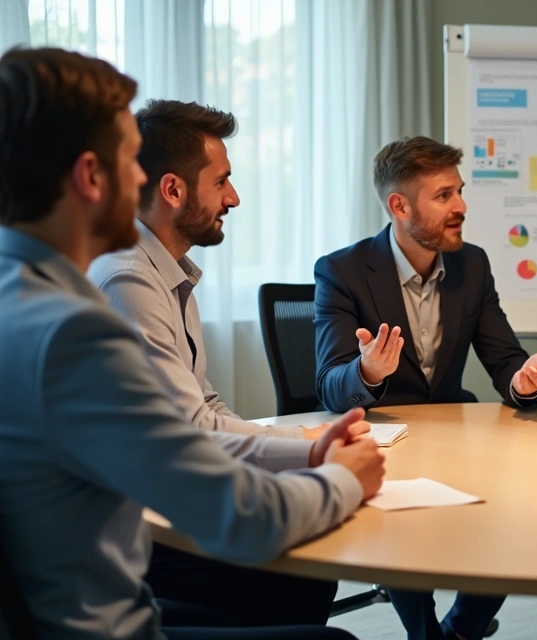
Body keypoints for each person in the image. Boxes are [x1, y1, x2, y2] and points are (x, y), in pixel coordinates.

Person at [0, 46, 386, 639]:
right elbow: (242, 519)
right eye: (131, 161)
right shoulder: (73, 331)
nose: (141, 180)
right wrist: (345, 477)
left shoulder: (19, 296)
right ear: (90, 177)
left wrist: (307, 455)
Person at [88, 99, 342, 627]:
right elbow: (193, 427)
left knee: (310, 561)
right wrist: (310, 450)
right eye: (222, 181)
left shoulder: (168, 271)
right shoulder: (127, 280)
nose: (235, 197)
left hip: (162, 497)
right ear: (173, 190)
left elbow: (204, 402)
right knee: (303, 563)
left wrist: (301, 448)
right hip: (133, 533)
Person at [314, 135, 537, 638]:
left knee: (518, 503)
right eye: (444, 195)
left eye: (459, 192)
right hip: (384, 434)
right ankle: (425, 632)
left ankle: (459, 629)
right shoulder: (342, 271)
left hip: (452, 431)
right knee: (401, 511)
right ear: (399, 206)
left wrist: (524, 381)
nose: (461, 206)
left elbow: (505, 360)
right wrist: (368, 372)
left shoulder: (473, 265)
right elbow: (331, 385)